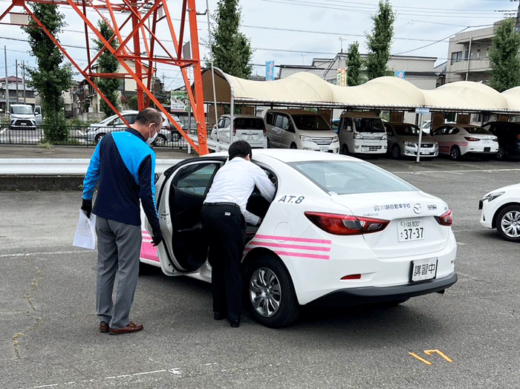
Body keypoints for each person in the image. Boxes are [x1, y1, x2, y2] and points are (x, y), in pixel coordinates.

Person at [81, 107, 164, 335]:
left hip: (102, 215)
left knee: (105, 267)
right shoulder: (146, 153)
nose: (156, 135)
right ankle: (121, 321)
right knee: (128, 269)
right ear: (151, 127)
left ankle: (104, 319)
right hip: (126, 219)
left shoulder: (108, 139)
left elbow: (92, 171)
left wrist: (86, 201)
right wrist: (155, 227)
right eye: (158, 130)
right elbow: (147, 194)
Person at [201, 140, 276, 327]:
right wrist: (260, 219)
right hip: (228, 215)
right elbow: (270, 194)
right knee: (233, 265)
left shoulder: (222, 170)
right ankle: (234, 317)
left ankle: (218, 311)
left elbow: (232, 204)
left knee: (217, 264)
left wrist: (255, 220)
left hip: (207, 212)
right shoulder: (251, 167)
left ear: (230, 155)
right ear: (248, 155)